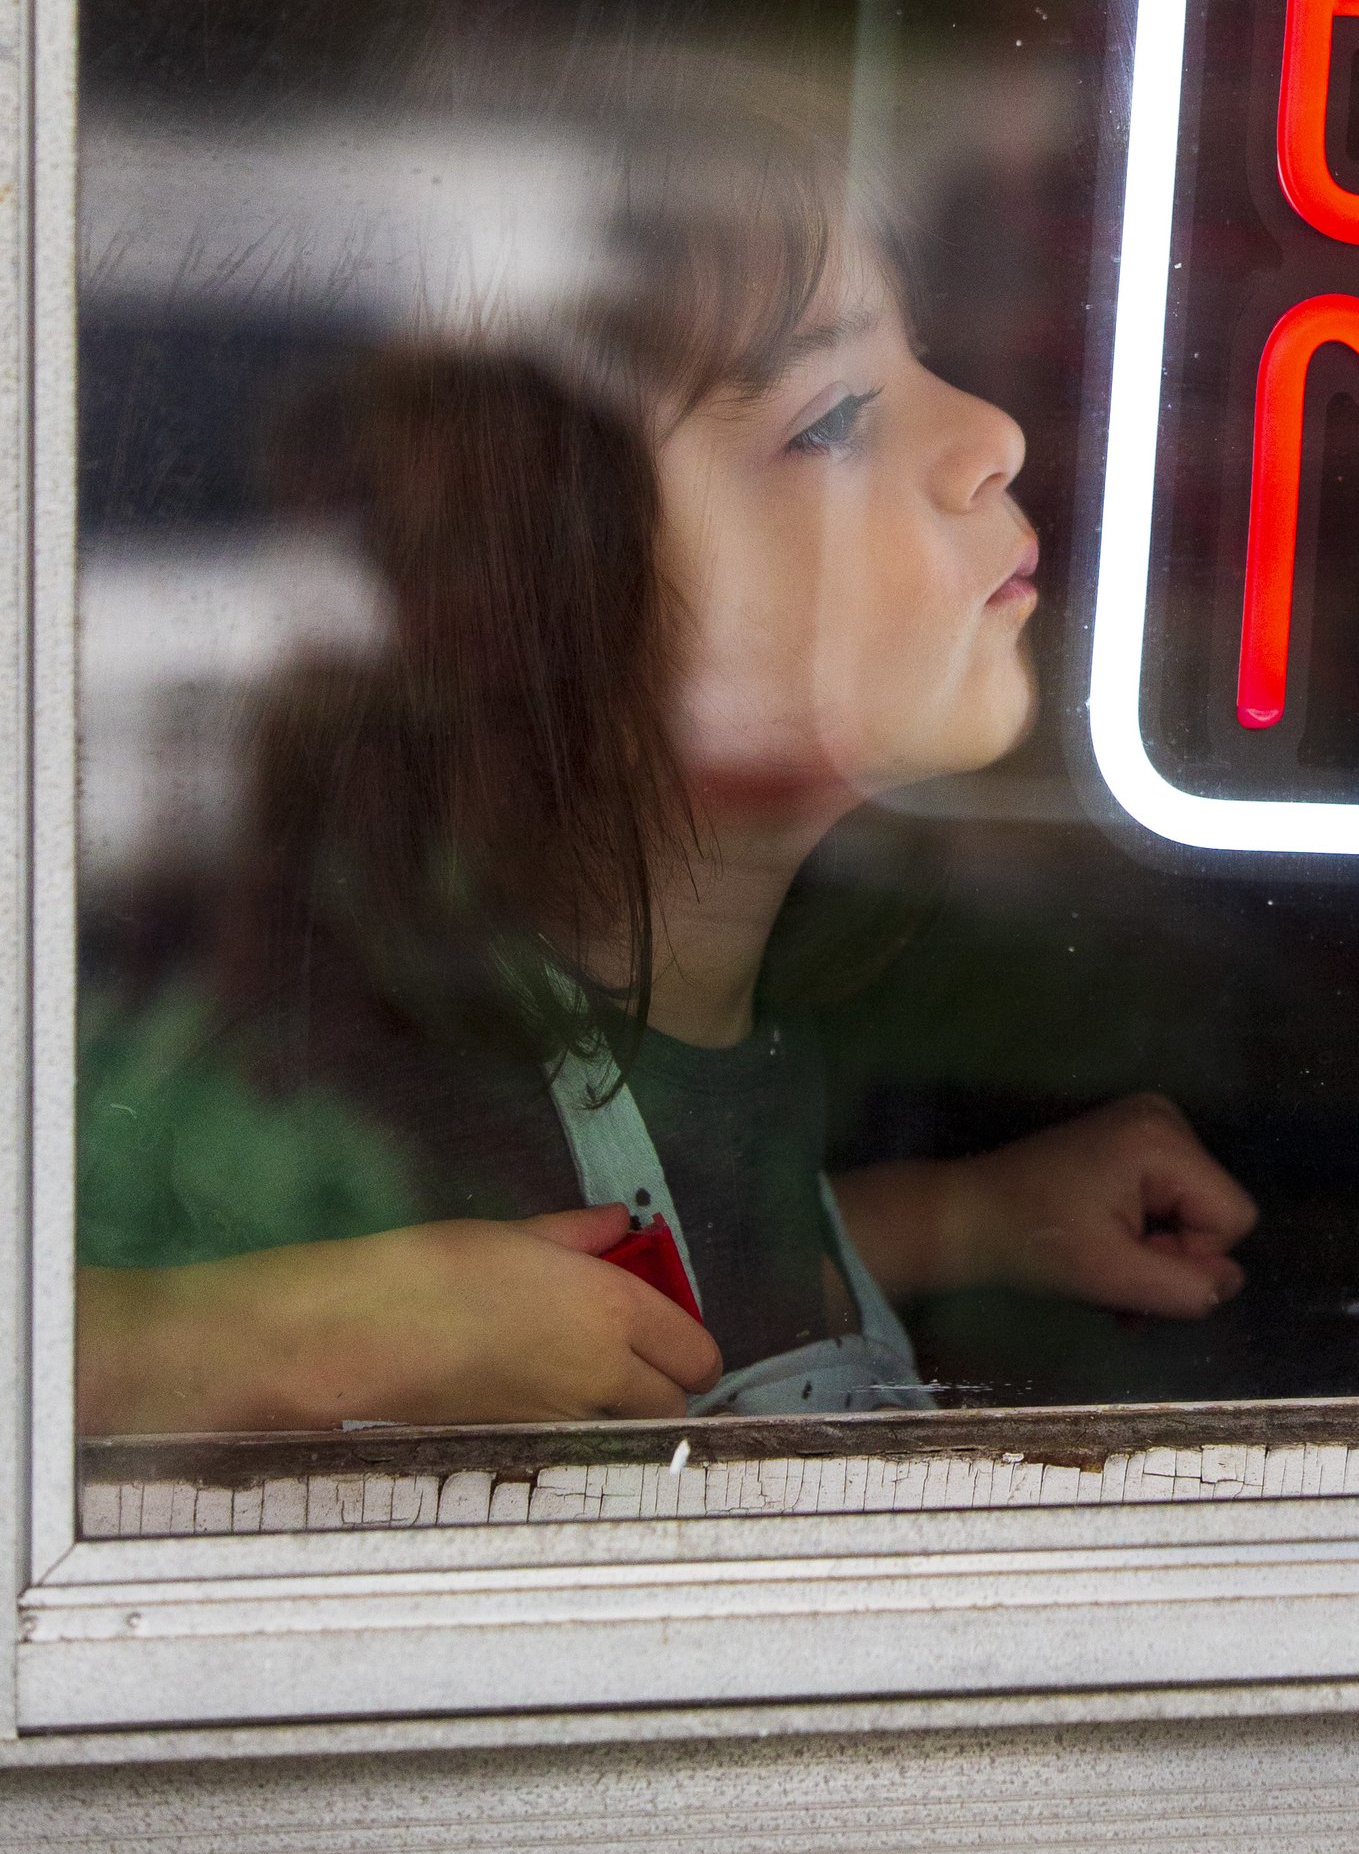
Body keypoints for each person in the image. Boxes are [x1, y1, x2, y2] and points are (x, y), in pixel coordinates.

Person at [77, 111, 1255, 1433]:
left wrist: (964, 1218)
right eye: (838, 419)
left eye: (919, 354)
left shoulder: (735, 1017)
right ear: (554, 602)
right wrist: (319, 1331)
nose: (992, 432)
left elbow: (657, 1246)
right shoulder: (338, 1080)